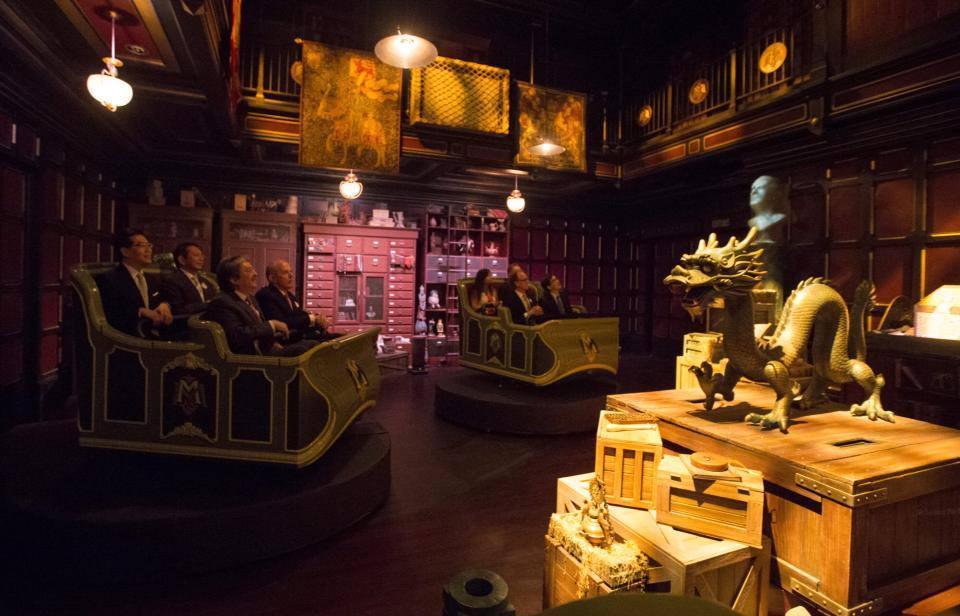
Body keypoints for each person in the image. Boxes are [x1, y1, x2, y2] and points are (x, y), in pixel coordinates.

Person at [203, 256, 316, 357]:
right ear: (234, 279)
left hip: (265, 349)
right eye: (248, 270)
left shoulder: (250, 298)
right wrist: (271, 325)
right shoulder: (222, 303)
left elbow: (258, 328)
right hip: (248, 359)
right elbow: (237, 335)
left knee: (313, 345)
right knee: (302, 351)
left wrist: (273, 342)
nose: (255, 273)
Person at [96, 228, 173, 337]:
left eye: (149, 245)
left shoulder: (151, 279)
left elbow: (162, 300)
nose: (148, 250)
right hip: (127, 338)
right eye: (141, 245)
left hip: (153, 336)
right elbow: (110, 313)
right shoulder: (109, 279)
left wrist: (165, 305)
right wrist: (139, 311)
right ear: (125, 251)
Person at [256, 259, 334, 342]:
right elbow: (282, 322)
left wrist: (318, 319)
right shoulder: (266, 295)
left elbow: (299, 315)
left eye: (291, 272)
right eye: (285, 272)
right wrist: (312, 319)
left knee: (339, 339)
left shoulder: (290, 296)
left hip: (301, 337)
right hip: (286, 341)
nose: (291, 275)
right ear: (272, 278)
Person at [159, 242, 213, 317]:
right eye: (196, 255)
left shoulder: (205, 280)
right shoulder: (171, 281)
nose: (201, 259)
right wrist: (207, 304)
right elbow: (178, 310)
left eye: (202, 255)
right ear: (182, 260)